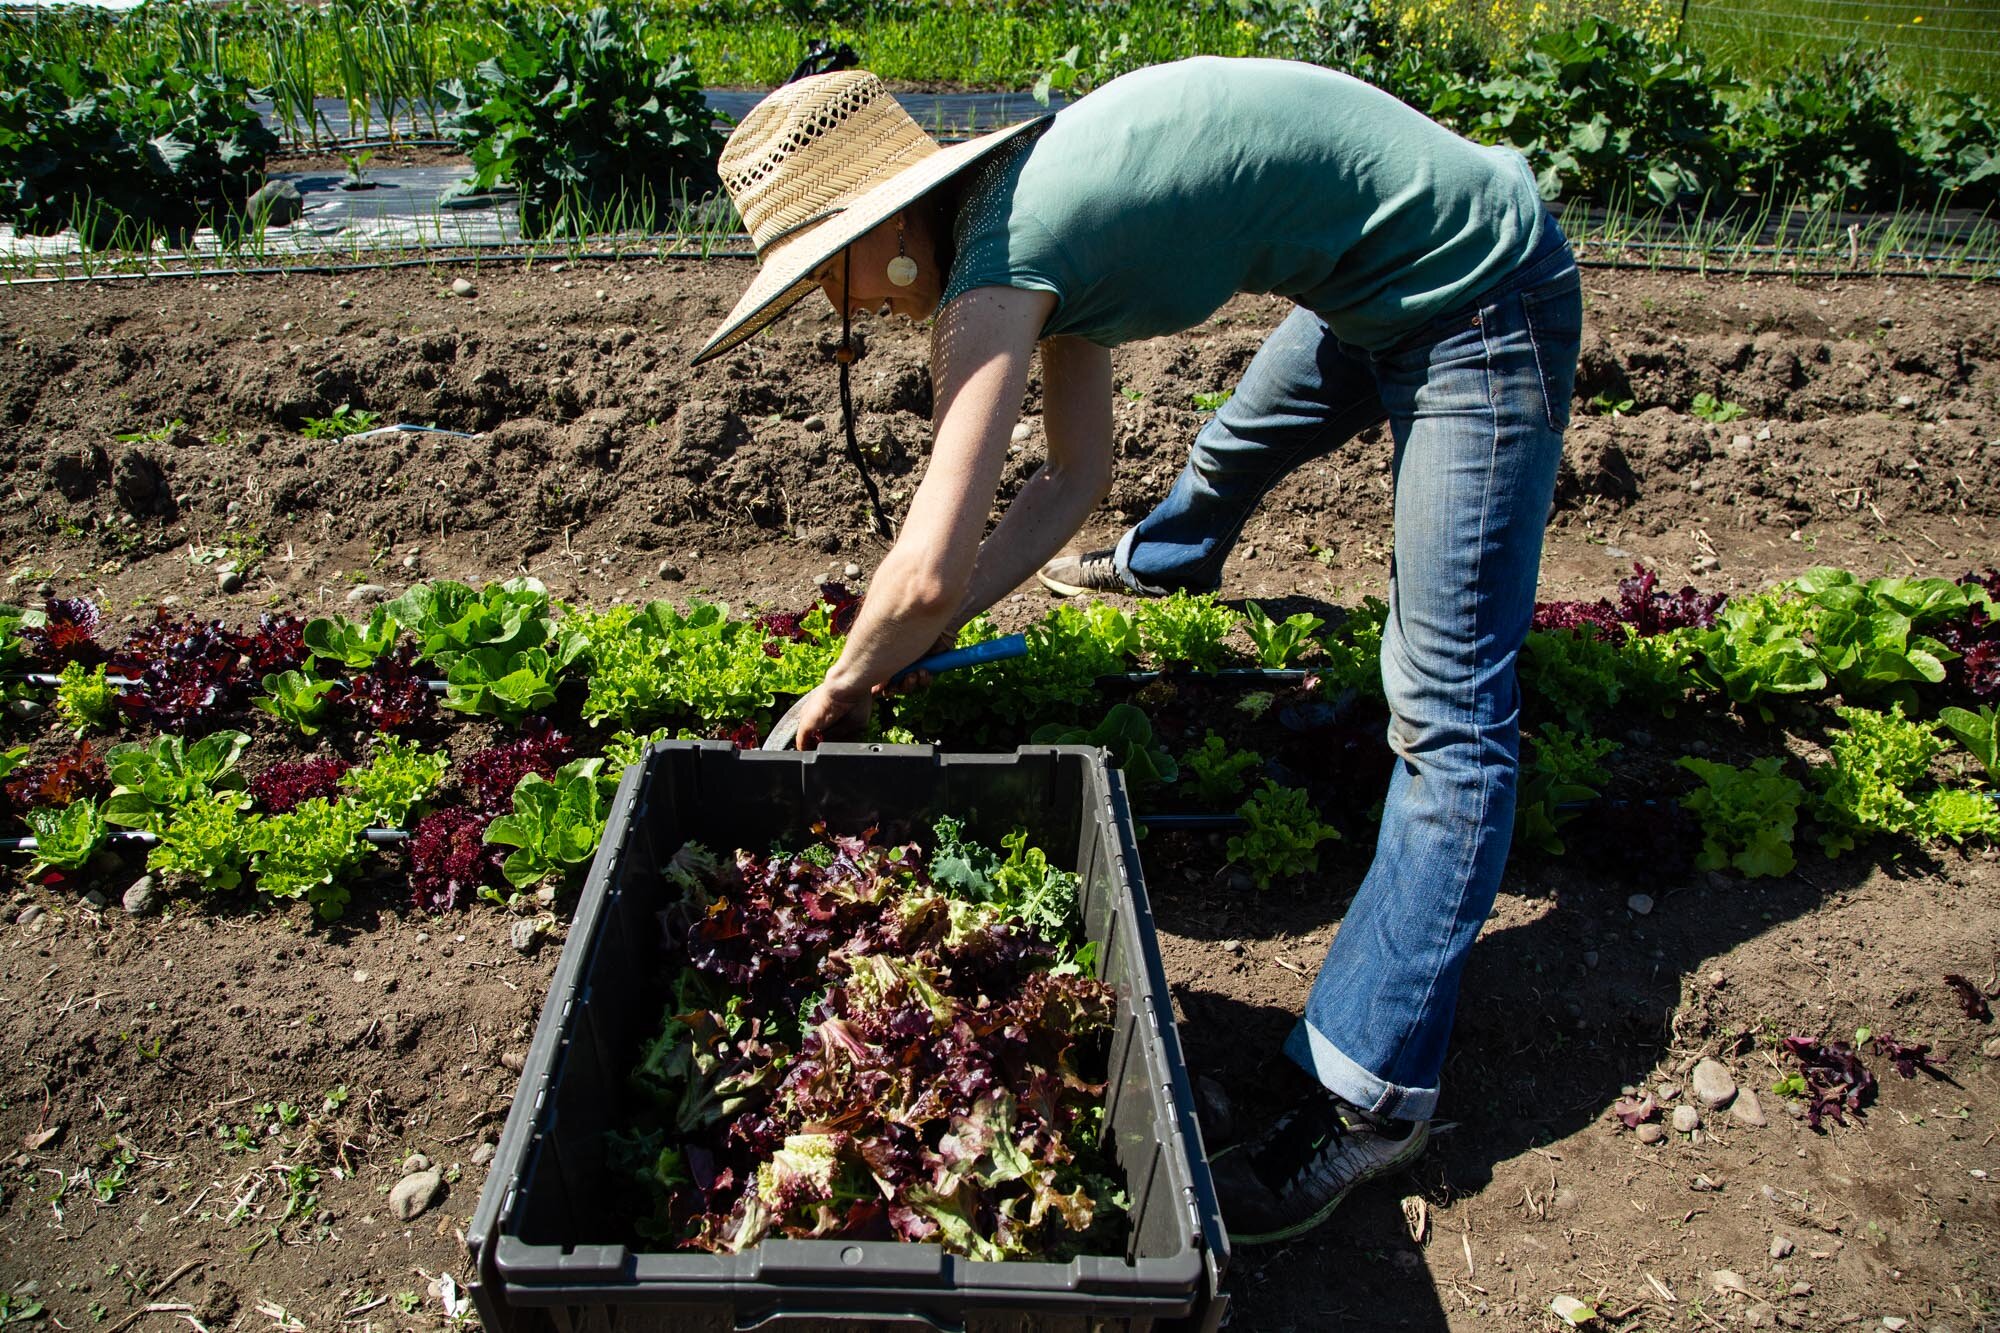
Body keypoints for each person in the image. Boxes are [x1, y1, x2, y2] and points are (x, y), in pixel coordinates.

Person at [692, 55, 1581, 1245]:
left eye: (823, 273)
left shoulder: (998, 265)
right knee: (1227, 450)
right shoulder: (1018, 212)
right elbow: (1071, 481)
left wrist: (850, 675)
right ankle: (1166, 560)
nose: (837, 308)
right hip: (1362, 286)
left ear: (886, 224)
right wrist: (924, 634)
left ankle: (1369, 1095)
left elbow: (920, 559)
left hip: (1475, 291)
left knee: (1447, 719)